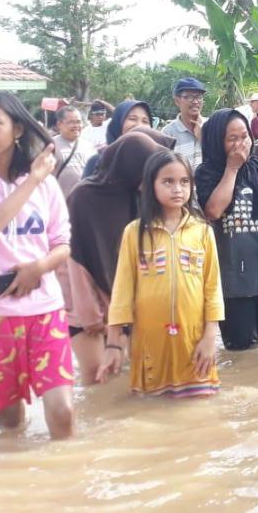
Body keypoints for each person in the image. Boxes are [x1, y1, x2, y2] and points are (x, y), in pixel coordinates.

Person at [0, 91, 75, 439]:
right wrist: (33, 179)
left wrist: (39, 267)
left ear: (17, 129)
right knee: (8, 421)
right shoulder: (37, 180)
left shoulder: (47, 185)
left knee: (63, 410)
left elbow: (63, 244)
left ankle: (68, 479)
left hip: (45, 310)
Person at [97, 151, 224, 396]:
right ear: (149, 186)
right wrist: (113, 343)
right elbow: (122, 291)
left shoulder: (202, 232)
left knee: (200, 410)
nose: (177, 189)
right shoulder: (134, 233)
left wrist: (210, 337)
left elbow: (213, 288)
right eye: (168, 181)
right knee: (151, 408)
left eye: (184, 182)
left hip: (194, 341)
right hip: (149, 342)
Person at [65, 131, 174, 384]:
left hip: (124, 305)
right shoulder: (82, 197)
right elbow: (73, 260)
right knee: (95, 380)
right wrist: (90, 314)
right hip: (84, 307)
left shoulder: (138, 196)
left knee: (129, 379)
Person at [196, 109, 258, 351]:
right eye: (232, 139)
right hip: (233, 281)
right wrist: (231, 169)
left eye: (244, 137)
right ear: (216, 141)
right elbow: (213, 211)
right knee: (241, 350)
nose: (240, 144)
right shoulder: (206, 173)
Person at [81, 99, 155, 178]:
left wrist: (102, 102)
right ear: (119, 123)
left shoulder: (157, 163)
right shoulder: (97, 163)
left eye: (145, 121)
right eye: (132, 119)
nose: (139, 125)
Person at [162, 77, 207, 169]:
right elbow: (163, 167)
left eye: (199, 97)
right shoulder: (168, 133)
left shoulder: (212, 125)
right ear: (177, 101)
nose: (195, 102)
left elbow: (220, 159)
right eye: (189, 97)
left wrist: (203, 138)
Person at [51, 106, 96, 197]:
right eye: (71, 122)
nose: (76, 126)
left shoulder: (88, 146)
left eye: (79, 122)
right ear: (59, 124)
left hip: (85, 200)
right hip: (60, 202)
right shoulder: (50, 145)